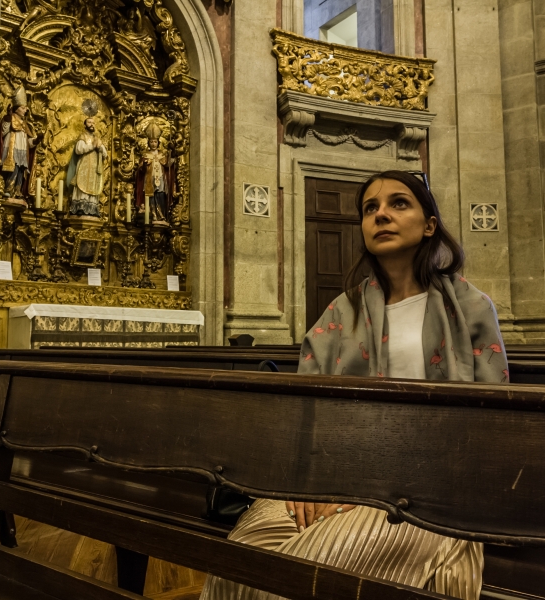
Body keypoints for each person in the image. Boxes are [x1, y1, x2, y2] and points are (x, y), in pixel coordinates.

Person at [200, 170, 508, 600]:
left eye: (398, 203)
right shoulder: (341, 312)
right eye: (370, 208)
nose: (381, 214)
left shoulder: (471, 308)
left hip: (428, 496)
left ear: (429, 225)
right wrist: (314, 484)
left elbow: (490, 423)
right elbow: (306, 409)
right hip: (333, 477)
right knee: (236, 567)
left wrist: (371, 491)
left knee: (288, 579)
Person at [0, 87, 41, 199]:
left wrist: (37, 140)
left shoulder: (25, 124)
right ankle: (8, 189)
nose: (25, 110)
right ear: (16, 109)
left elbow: (28, 142)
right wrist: (7, 118)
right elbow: (3, 131)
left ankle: (18, 190)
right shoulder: (10, 118)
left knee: (21, 169)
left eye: (26, 108)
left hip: (22, 150)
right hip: (12, 147)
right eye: (23, 108)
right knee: (13, 167)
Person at [66, 108, 107, 217]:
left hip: (94, 169)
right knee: (82, 185)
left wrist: (100, 148)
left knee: (93, 187)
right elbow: (78, 149)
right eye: (89, 122)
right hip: (84, 167)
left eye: (93, 123)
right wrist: (92, 146)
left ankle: (92, 209)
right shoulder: (82, 137)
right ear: (85, 125)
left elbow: (105, 154)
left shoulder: (97, 139)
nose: (92, 124)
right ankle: (81, 206)